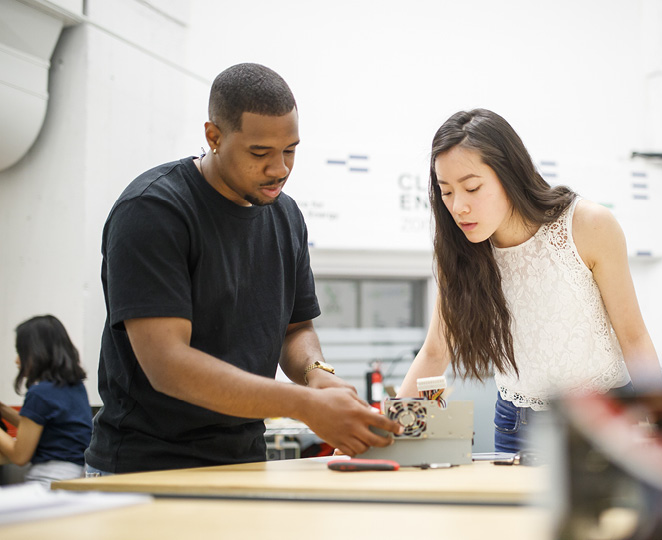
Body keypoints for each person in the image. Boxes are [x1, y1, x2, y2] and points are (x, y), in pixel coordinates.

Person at [84, 63, 401, 475]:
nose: (280, 169)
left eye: (290, 150)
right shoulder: (153, 210)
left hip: (244, 462)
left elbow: (296, 329)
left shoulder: (285, 217)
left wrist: (315, 375)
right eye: (260, 153)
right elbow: (168, 366)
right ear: (214, 137)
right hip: (144, 469)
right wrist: (305, 403)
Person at [397, 109, 662, 453]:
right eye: (446, 192)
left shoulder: (587, 225)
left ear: (509, 174)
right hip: (516, 422)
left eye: (472, 187)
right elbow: (435, 352)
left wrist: (657, 426)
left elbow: (635, 337)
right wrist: (391, 429)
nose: (459, 206)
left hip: (603, 416)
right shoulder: (460, 253)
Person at [0, 315, 93, 488]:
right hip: (74, 477)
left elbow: (19, 456)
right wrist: (3, 409)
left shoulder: (40, 393)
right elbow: (35, 427)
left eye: (20, 352)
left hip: (47, 481)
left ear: (36, 352)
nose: (17, 360)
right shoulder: (74, 387)